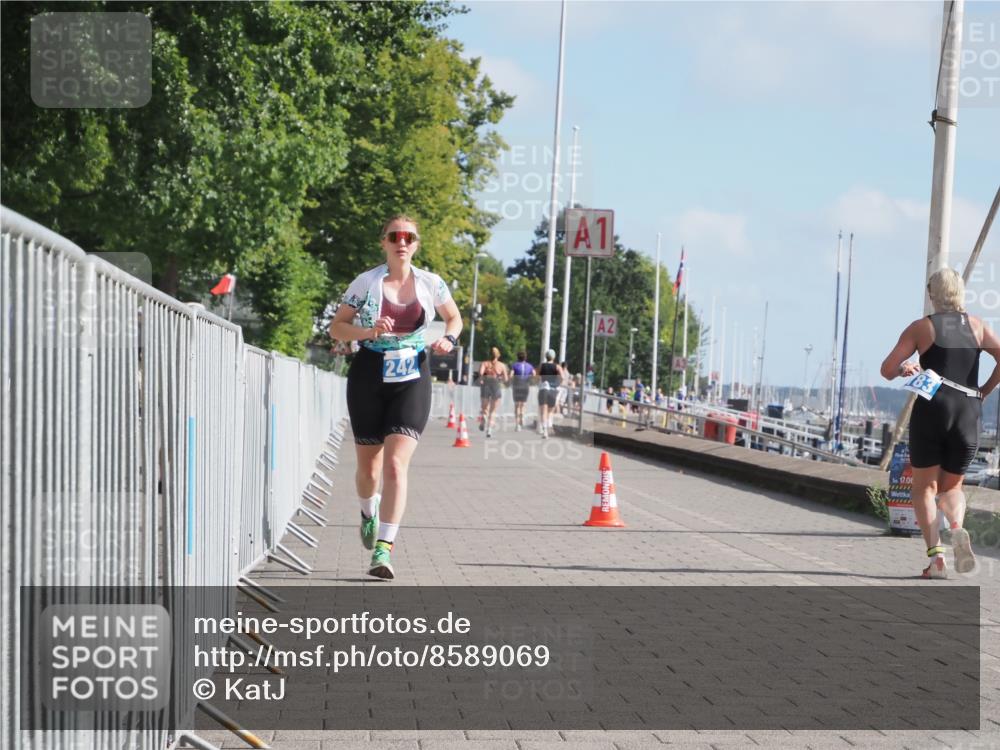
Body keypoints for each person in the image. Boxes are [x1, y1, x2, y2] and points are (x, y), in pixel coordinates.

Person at [330, 215, 462, 580]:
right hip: (369, 372)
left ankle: (383, 550)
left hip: (412, 372)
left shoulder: (431, 283)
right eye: (394, 236)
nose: (401, 242)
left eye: (409, 237)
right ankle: (366, 511)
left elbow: (454, 318)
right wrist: (368, 330)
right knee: (368, 470)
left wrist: (449, 338)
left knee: (394, 466)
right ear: (384, 242)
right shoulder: (366, 282)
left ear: (416, 244)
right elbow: (337, 326)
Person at [880, 268, 1000, 579]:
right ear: (960, 294)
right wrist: (984, 390)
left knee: (924, 488)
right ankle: (957, 527)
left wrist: (909, 367)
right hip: (968, 410)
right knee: (952, 487)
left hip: (933, 409)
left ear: (933, 295)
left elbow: (888, 369)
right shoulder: (978, 326)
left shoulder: (922, 328)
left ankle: (936, 560)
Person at [478, 347, 508, 438]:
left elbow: (480, 373)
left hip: (486, 384)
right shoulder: (502, 365)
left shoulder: (485, 363)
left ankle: (484, 418)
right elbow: (506, 379)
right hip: (496, 385)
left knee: (484, 407)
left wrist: (482, 379)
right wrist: (501, 379)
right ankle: (489, 429)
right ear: (498, 355)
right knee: (493, 410)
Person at [536, 349, 561, 438]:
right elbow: (562, 377)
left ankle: (545, 430)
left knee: (543, 411)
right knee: (550, 411)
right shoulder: (557, 367)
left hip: (543, 389)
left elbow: (536, 376)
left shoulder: (541, 366)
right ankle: (549, 424)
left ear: (546, 357)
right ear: (553, 357)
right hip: (553, 390)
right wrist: (557, 383)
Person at [510, 351, 535, 431]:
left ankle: (517, 425)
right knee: (523, 404)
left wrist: (512, 381)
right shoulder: (530, 366)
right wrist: (530, 379)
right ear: (525, 357)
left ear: (518, 357)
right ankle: (522, 416)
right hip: (525, 386)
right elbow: (534, 374)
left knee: (517, 405)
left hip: (517, 386)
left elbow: (511, 375)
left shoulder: (515, 365)